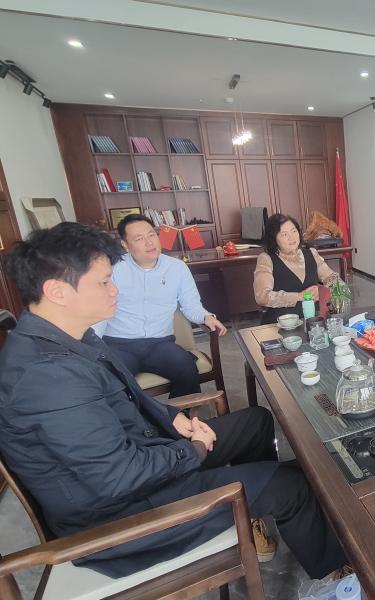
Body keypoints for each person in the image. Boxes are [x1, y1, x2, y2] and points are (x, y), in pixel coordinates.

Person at [0, 222, 346, 579]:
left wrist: (171, 418)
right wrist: (192, 450)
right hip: (124, 517)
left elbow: (129, 395)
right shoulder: (46, 377)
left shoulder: (71, 336)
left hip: (140, 461)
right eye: (103, 282)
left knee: (255, 422)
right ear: (57, 291)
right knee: (292, 485)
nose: (115, 290)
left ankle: (257, 507)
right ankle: (333, 575)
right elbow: (118, 478)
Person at [95, 214, 227, 398]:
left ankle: (180, 415)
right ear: (125, 245)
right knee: (111, 380)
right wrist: (88, 343)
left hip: (159, 344)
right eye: (139, 239)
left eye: (151, 235)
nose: (149, 242)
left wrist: (206, 317)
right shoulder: (113, 269)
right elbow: (98, 310)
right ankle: (137, 417)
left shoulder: (177, 268)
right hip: (119, 344)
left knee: (186, 367)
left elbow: (191, 305)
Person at [254, 213, 345, 325]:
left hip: (314, 321)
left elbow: (333, 279)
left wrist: (323, 289)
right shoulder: (266, 259)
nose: (292, 238)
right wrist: (299, 296)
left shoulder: (311, 253)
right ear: (274, 239)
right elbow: (262, 296)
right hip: (281, 323)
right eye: (284, 234)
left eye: (294, 231)